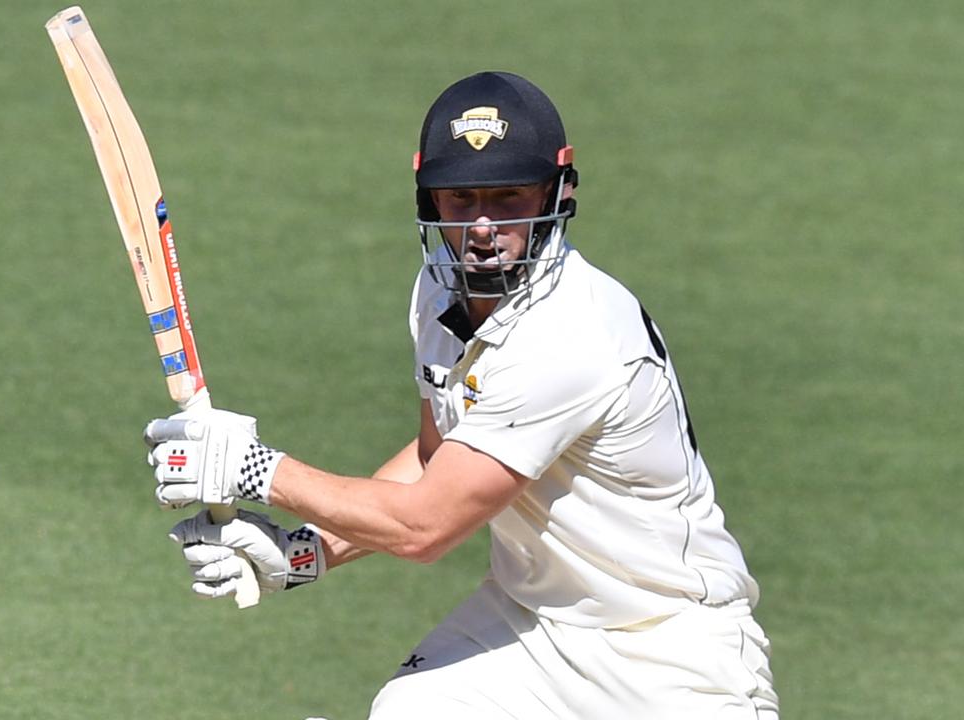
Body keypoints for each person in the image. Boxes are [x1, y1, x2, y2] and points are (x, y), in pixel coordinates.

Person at [145, 70, 779, 719]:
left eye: (507, 197)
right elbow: (434, 456)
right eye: (460, 197)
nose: (482, 225)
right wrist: (301, 554)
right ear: (431, 201)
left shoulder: (570, 336)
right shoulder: (441, 292)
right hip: (529, 627)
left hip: (667, 656)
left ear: (559, 193)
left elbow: (426, 528)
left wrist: (256, 470)